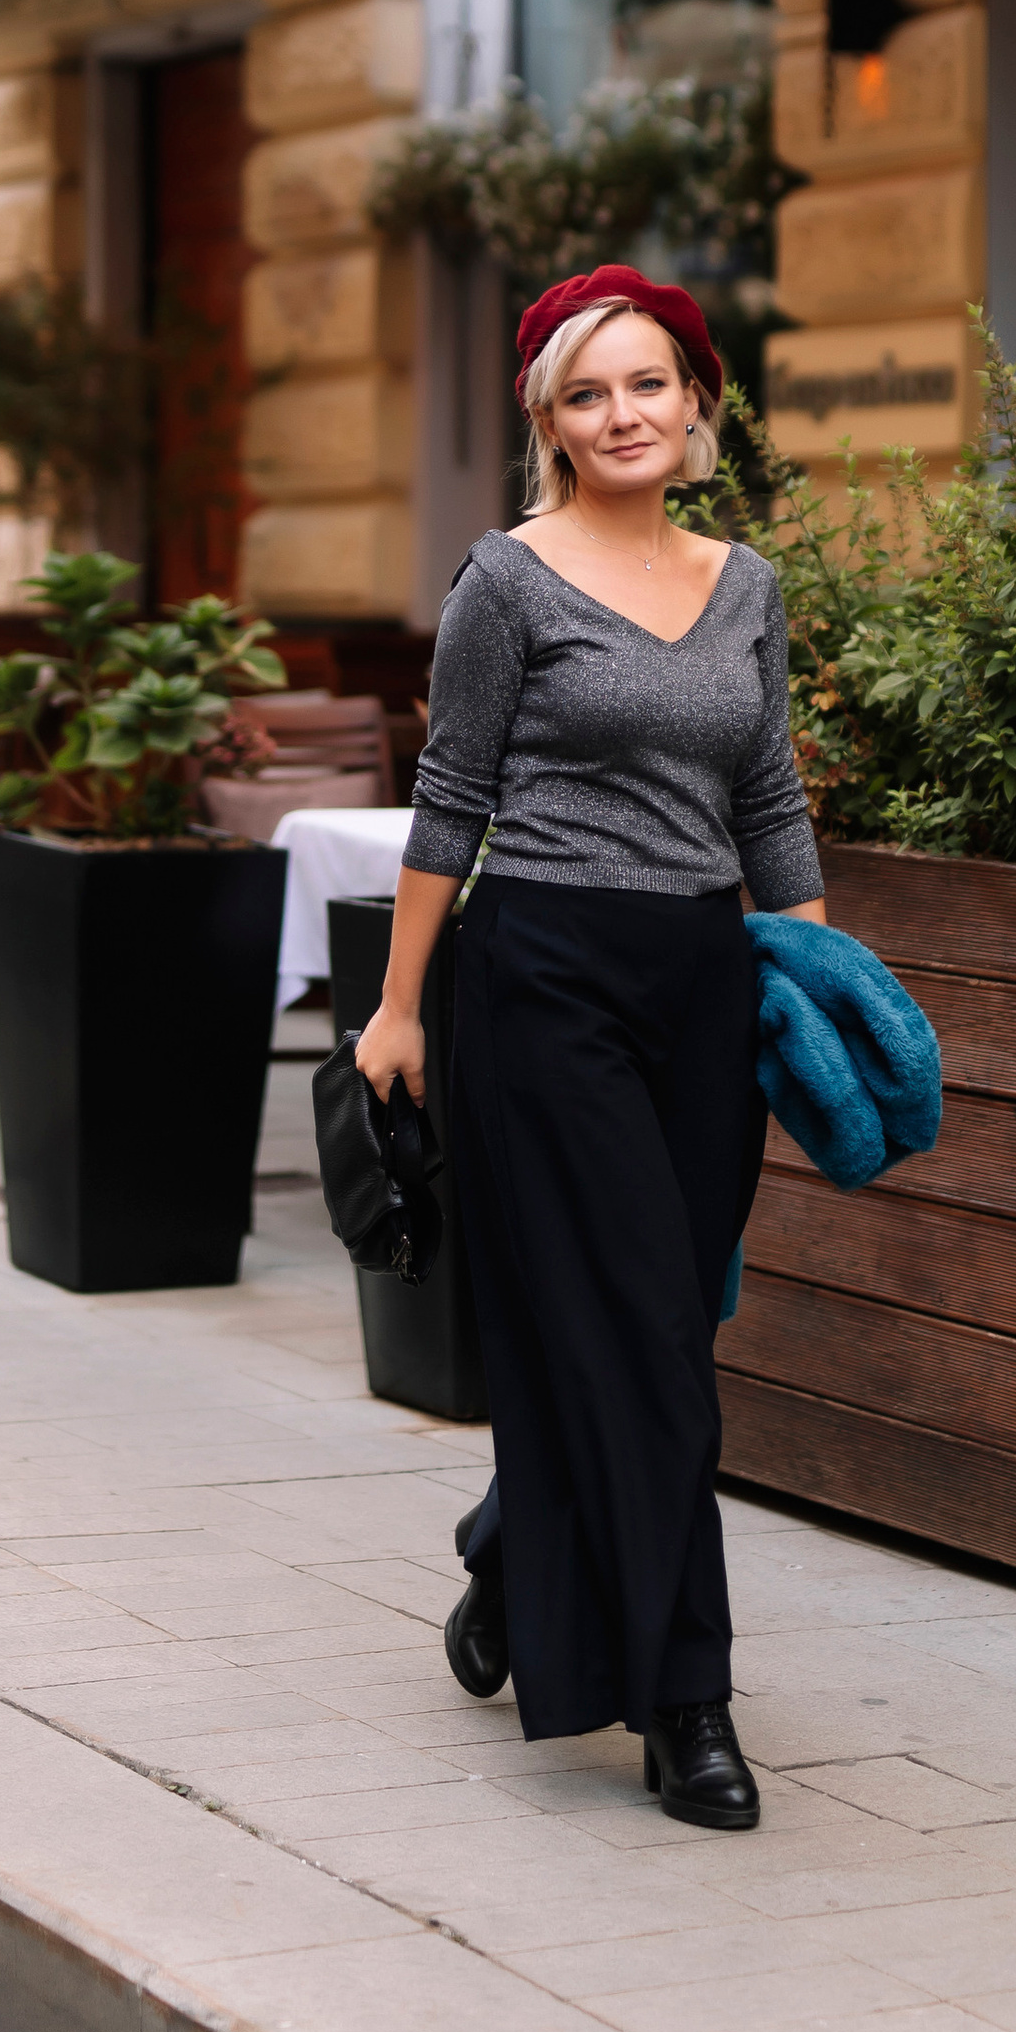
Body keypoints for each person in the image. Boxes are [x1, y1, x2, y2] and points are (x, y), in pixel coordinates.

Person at [352, 263, 825, 1831]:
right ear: (548, 421)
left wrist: (809, 962)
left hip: (703, 982)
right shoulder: (511, 582)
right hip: (542, 977)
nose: (622, 414)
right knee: (640, 1350)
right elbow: (452, 799)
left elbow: (765, 793)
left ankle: (513, 1548)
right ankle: (688, 1704)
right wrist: (404, 1006)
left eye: (647, 384)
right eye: (587, 392)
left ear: (695, 401)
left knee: (666, 1330)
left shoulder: (743, 584)